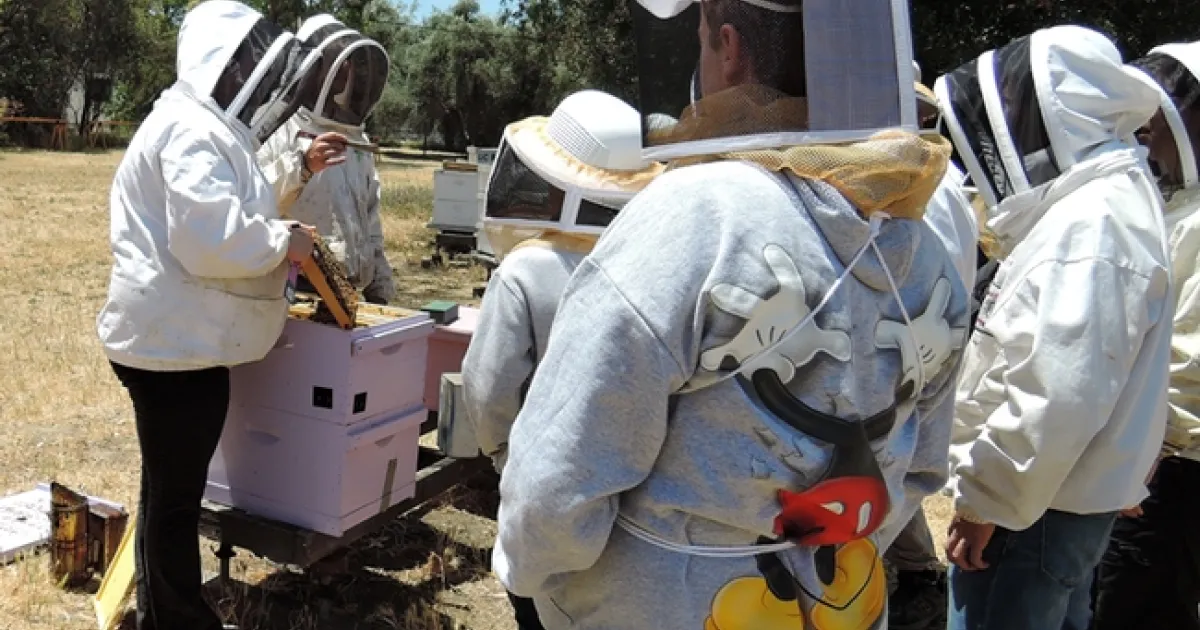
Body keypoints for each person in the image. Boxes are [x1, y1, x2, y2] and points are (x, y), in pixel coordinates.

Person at [492, 1, 969, 628]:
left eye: (699, 43)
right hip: (845, 603)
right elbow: (920, 470)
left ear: (728, 46)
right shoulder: (928, 252)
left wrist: (541, 581)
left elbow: (561, 475)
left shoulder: (695, 214)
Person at [95, 2, 344, 628]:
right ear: (223, 64)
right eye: (242, 66)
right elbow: (210, 239)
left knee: (168, 491)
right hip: (173, 347)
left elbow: (237, 201)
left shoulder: (201, 126)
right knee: (175, 501)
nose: (251, 80)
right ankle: (178, 618)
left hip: (179, 340)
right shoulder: (188, 129)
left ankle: (163, 612)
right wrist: (284, 242)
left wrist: (297, 169)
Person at [933, 25, 1171, 630]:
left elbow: (1059, 394)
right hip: (1056, 500)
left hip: (1034, 511)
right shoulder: (1109, 200)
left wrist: (987, 503)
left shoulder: (1092, 225)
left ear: (1059, 115)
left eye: (1020, 109)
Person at [460, 89, 664, 630]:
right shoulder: (657, 264)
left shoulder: (526, 271)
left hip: (544, 480)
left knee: (539, 599)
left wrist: (502, 453)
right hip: (638, 484)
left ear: (563, 187)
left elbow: (489, 386)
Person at [1090, 41, 1200, 630]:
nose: (1148, 142)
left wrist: (1148, 452)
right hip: (1165, 456)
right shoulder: (1187, 206)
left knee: (1135, 606)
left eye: (1156, 126)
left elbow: (1189, 354)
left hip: (1170, 465)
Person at [884, 76, 978, 630]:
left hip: (917, 347)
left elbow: (917, 276)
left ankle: (917, 573)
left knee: (895, 464)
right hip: (928, 344)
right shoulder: (943, 179)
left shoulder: (924, 185)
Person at [258, 14, 395, 304]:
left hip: (347, 293)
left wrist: (380, 288)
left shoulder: (356, 139)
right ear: (310, 66)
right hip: (293, 292)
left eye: (349, 61)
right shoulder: (277, 129)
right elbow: (255, 203)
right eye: (336, 58)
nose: (345, 68)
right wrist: (302, 166)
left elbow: (370, 219)